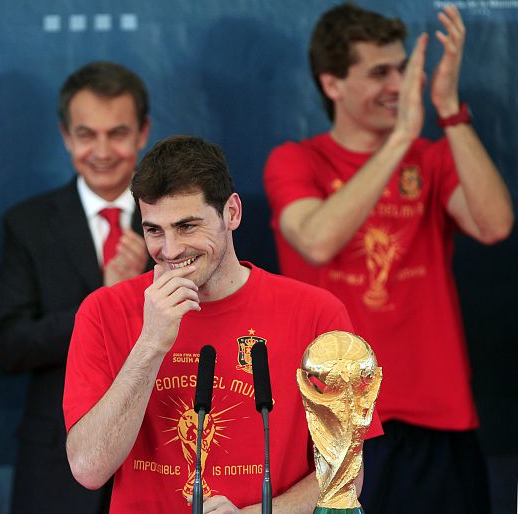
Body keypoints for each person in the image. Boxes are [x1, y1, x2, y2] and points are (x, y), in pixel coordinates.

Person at [263, 4, 513, 513]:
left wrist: (448, 111)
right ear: (332, 84)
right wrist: (401, 137)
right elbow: (316, 240)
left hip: (436, 420)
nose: (399, 84)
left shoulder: (434, 158)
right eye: (380, 72)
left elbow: (496, 225)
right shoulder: (296, 161)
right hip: (335, 424)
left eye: (402, 68)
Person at [64, 135, 381, 513]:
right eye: (154, 230)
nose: (170, 250)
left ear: (232, 212)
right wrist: (149, 345)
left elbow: (347, 471)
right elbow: (88, 469)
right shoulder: (103, 311)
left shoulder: (316, 312)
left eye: (187, 226)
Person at [0, 61, 152, 514]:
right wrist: (102, 303)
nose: (102, 151)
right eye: (86, 134)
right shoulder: (28, 224)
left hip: (159, 450)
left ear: (143, 132)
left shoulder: (177, 221)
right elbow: (10, 344)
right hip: (57, 462)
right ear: (65, 136)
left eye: (117, 133)